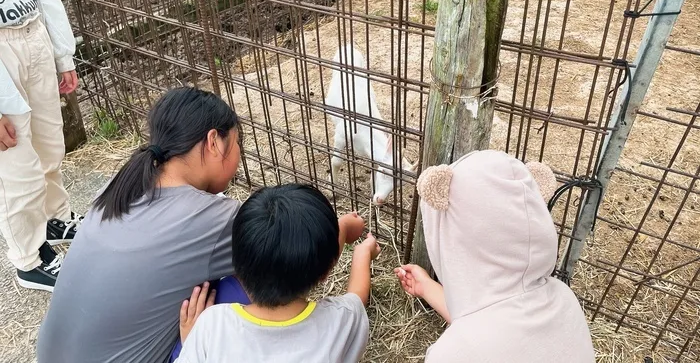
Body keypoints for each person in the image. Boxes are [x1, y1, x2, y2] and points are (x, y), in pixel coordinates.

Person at [38, 87, 366, 363]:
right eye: (237, 143)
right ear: (213, 142)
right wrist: (341, 230)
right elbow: (295, 254)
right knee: (245, 281)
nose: (238, 156)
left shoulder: (120, 185)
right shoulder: (213, 219)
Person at [395, 150, 595, 363]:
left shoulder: (452, 354)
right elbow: (496, 321)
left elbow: (477, 339)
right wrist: (426, 287)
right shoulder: (564, 299)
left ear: (452, 244)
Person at [176, 183, 381, 363]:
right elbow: (357, 296)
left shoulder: (211, 326)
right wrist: (363, 251)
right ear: (327, 272)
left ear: (237, 261)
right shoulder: (339, 322)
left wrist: (190, 341)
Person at [0, 0, 81, 292]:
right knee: (16, 167)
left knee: (49, 145)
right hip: (2, 51)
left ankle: (54, 217)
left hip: (30, 30)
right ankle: (29, 259)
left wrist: (61, 50)